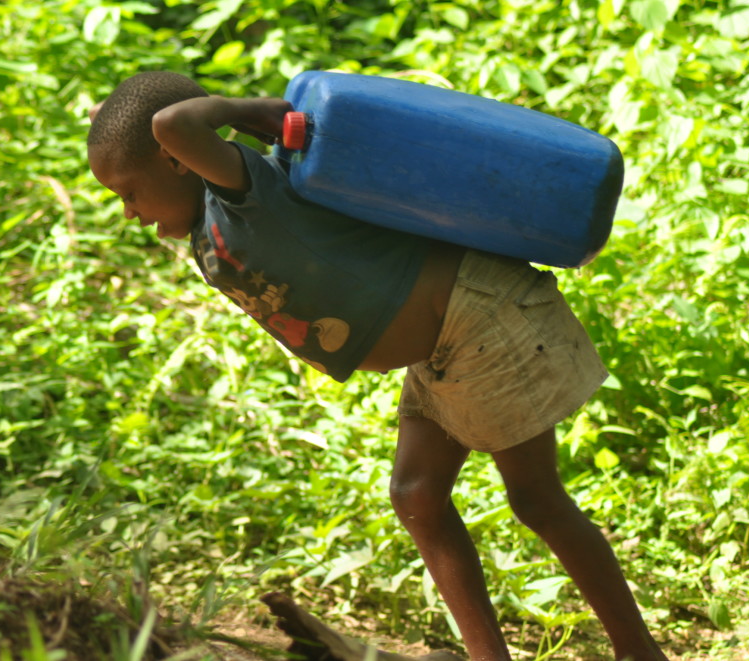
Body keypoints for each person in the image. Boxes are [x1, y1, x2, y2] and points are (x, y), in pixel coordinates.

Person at [86, 71, 667, 661]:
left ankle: (638, 653)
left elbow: (171, 123)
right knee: (417, 495)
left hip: (481, 316)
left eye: (129, 192)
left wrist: (255, 110)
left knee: (536, 498)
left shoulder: (240, 188)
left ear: (177, 162)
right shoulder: (209, 227)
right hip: (442, 347)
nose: (130, 213)